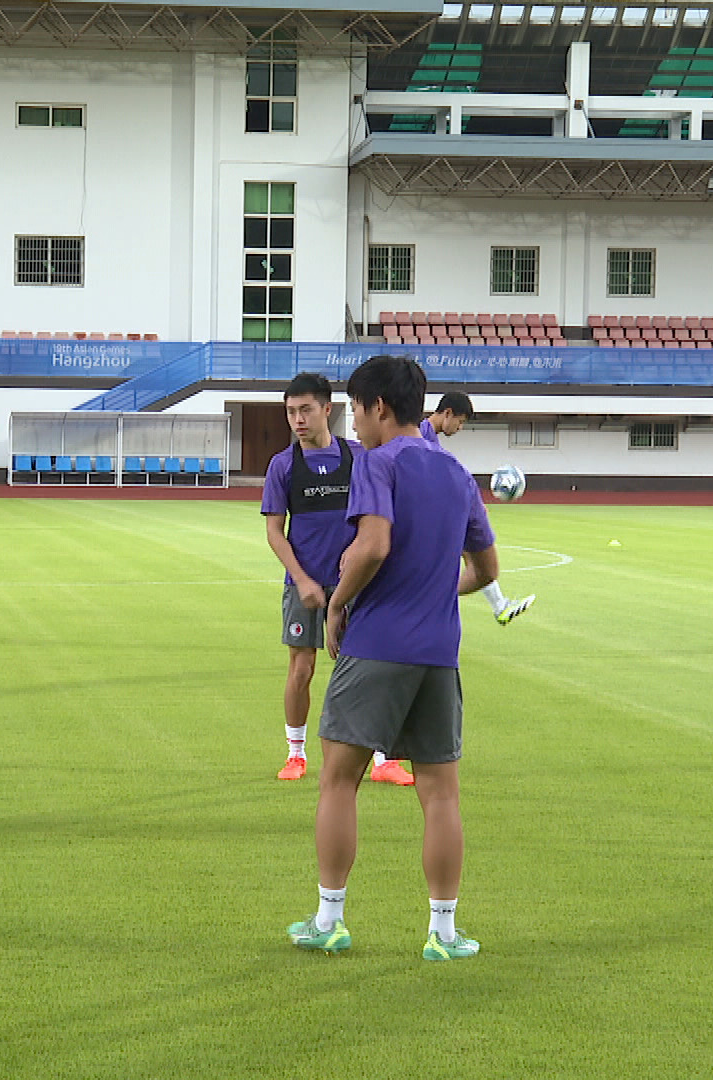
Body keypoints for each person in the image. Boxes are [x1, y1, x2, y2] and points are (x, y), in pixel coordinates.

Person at [286, 355, 500, 960]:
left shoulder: (377, 464)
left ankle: (330, 920)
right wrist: (436, 591)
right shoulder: (457, 475)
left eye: (355, 409)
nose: (353, 422)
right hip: (439, 653)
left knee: (338, 778)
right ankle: (445, 933)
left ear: (380, 407)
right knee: (440, 794)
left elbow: (372, 544)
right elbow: (486, 571)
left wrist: (336, 605)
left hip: (377, 644)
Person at [262, 375, 416, 786]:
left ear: (327, 410)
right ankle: (296, 753)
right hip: (305, 587)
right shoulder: (283, 465)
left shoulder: (358, 458)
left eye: (305, 410)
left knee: (371, 669)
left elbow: (376, 518)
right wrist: (303, 580)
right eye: (291, 411)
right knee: (302, 668)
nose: (297, 419)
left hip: (356, 585)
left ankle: (384, 758)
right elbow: (275, 531)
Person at [421, 392, 535, 626]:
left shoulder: (429, 436)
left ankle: (499, 605)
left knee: (468, 548)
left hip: (435, 513)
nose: (460, 428)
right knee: (468, 550)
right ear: (448, 413)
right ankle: (438, 599)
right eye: (460, 422)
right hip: (426, 516)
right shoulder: (423, 435)